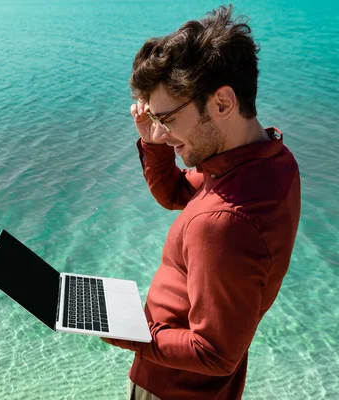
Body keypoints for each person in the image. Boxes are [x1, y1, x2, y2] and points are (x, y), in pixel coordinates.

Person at [101, 5, 301, 400]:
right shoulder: (272, 161)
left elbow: (214, 353)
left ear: (222, 103)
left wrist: (123, 330)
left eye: (168, 118)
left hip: (175, 388)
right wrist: (155, 142)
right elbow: (175, 194)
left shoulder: (224, 221)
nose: (163, 131)